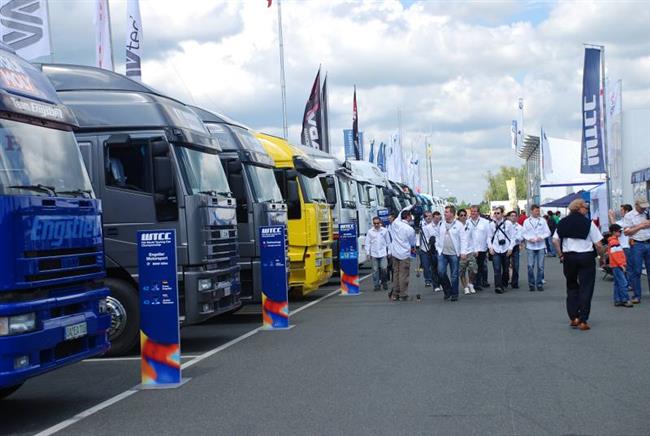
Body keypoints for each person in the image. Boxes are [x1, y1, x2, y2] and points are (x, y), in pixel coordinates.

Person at [552, 199, 605, 331]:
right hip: (586, 256)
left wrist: (561, 255)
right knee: (586, 287)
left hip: (569, 257)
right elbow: (598, 244)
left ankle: (574, 317)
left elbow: (555, 240)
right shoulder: (588, 223)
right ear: (580, 208)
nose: (587, 210)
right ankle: (583, 320)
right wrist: (601, 257)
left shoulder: (563, 222)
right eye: (586, 208)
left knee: (571, 286)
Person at [435, 205, 467, 301]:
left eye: (447, 212)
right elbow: (437, 236)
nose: (445, 214)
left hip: (454, 253)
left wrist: (463, 252)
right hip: (442, 253)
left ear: (452, 214)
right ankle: (447, 289)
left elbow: (463, 239)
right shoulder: (441, 224)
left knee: (454, 275)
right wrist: (437, 247)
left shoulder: (459, 225)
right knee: (441, 272)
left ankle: (454, 293)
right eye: (445, 212)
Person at [622, 198, 650, 304]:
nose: (644, 208)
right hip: (637, 243)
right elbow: (626, 232)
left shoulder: (647, 213)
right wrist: (641, 226)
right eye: (642, 207)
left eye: (645, 206)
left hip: (648, 242)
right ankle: (637, 295)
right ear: (636, 205)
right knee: (636, 271)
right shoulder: (629, 216)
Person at [388, 206, 416, 301]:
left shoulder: (396, 223)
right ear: (408, 217)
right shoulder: (409, 229)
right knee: (403, 275)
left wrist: (410, 206)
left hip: (395, 252)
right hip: (404, 253)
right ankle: (403, 294)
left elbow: (401, 212)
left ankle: (395, 294)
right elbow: (412, 242)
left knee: (395, 274)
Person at [522, 204, 551, 291]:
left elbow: (548, 232)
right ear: (531, 211)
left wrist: (541, 237)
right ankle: (531, 283)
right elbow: (523, 233)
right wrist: (528, 239)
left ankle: (539, 283)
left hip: (541, 246)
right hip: (531, 246)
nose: (537, 212)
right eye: (536, 211)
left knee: (540, 266)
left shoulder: (542, 221)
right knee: (530, 265)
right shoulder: (527, 221)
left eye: (538, 211)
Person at [487, 206, 515, 294]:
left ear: (502, 214)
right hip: (496, 249)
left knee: (506, 270)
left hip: (506, 249)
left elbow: (512, 237)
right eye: (495, 213)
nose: (496, 215)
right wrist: (490, 247)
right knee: (497, 269)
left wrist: (510, 248)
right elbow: (488, 237)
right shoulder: (491, 224)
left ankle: (504, 283)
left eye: (498, 213)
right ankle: (498, 286)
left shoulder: (508, 224)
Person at [608, 224, 633, 308]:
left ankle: (618, 300)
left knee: (618, 283)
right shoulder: (614, 242)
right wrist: (621, 264)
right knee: (623, 283)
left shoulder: (612, 241)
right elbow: (616, 255)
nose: (621, 233)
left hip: (615, 265)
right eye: (619, 231)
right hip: (618, 265)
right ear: (614, 232)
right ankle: (625, 299)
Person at [467, 205, 490, 291]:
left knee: (480, 267)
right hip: (471, 249)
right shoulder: (467, 222)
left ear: (478, 212)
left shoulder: (485, 222)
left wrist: (489, 247)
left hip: (482, 248)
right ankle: (472, 283)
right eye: (472, 211)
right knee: (472, 267)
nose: (473, 213)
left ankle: (478, 283)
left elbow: (488, 235)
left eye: (475, 211)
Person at [365, 216, 391, 292]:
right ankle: (376, 285)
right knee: (375, 270)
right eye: (375, 223)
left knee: (384, 269)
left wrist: (389, 252)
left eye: (377, 223)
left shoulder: (385, 231)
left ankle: (384, 282)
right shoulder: (370, 232)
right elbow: (367, 243)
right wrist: (367, 253)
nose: (376, 225)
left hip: (383, 253)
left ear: (380, 223)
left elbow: (388, 242)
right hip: (374, 253)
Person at [458, 209, 477, 295]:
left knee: (473, 269)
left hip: (470, 251)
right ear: (458, 216)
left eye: (464, 215)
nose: (463, 217)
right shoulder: (456, 226)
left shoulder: (470, 225)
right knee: (462, 271)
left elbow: (474, 238)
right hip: (460, 252)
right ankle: (465, 287)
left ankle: (470, 283)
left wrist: (475, 250)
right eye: (461, 215)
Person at [418, 211, 439, 289]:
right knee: (426, 266)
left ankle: (436, 282)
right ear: (424, 218)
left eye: (430, 216)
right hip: (424, 249)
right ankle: (427, 280)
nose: (429, 217)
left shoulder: (436, 225)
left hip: (433, 249)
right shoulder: (421, 225)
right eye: (427, 216)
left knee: (434, 266)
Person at [506, 210, 523, 289]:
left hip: (515, 247)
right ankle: (505, 280)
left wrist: (515, 239)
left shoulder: (519, 227)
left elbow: (520, 237)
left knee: (516, 265)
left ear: (517, 217)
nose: (513, 217)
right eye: (511, 216)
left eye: (514, 216)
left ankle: (514, 282)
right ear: (509, 217)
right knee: (506, 265)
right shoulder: (505, 226)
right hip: (506, 247)